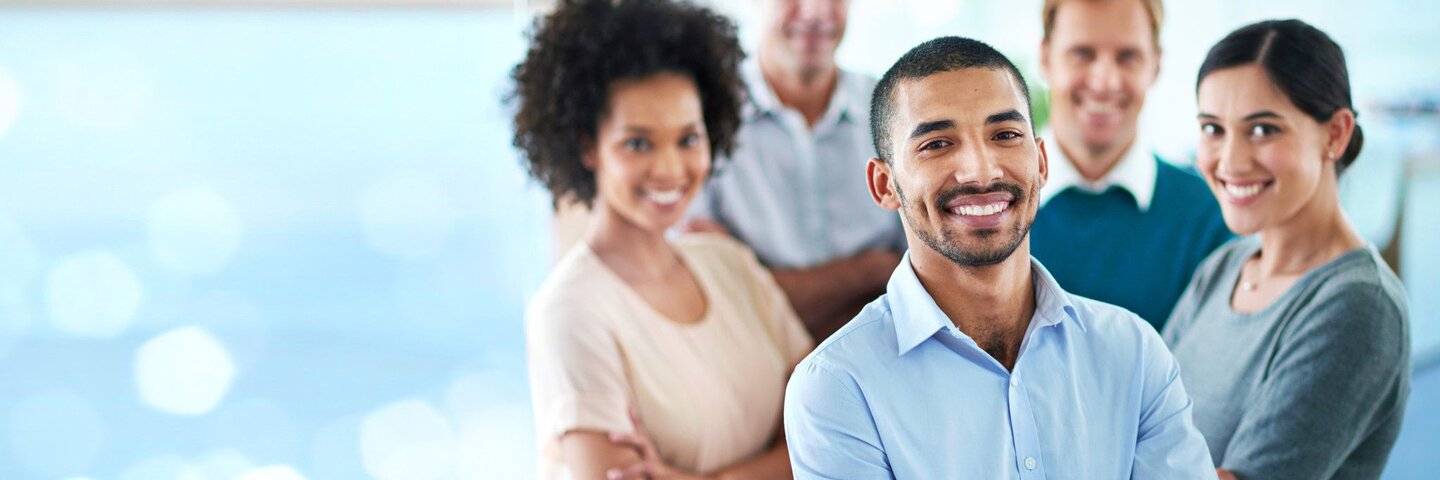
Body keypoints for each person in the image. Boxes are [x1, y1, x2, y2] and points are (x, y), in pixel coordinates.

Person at [783, 36, 1215, 478]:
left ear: (1041, 162)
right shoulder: (838, 386)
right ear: (884, 185)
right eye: (936, 144)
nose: (981, 170)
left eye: (1005, 135)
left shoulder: (1134, 353)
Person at [512, 1, 810, 479]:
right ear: (587, 147)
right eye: (638, 143)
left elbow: (829, 428)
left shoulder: (729, 264)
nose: (671, 169)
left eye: (688, 139)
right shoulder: (570, 312)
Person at [1163, 19, 1411, 480]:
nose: (1231, 161)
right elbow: (1145, 411)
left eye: (1262, 130)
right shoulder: (1227, 266)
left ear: (1335, 134)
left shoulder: (1359, 306)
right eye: (1213, 129)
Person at [682, 0, 903, 341]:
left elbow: (928, 287)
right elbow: (721, 299)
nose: (816, 12)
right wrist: (874, 270)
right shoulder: (698, 117)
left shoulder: (897, 109)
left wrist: (768, 289)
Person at [1031, 0, 1231, 328]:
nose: (1105, 81)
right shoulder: (988, 205)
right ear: (1045, 56)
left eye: (1127, 57)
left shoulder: (1209, 217)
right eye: (1083, 53)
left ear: (1156, 64)